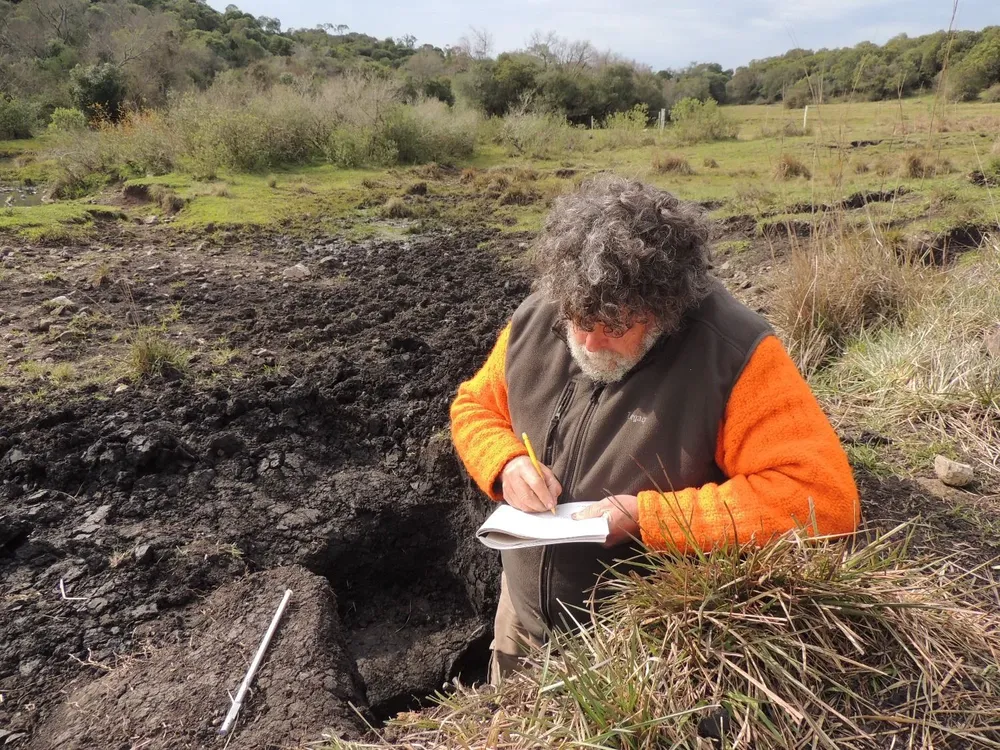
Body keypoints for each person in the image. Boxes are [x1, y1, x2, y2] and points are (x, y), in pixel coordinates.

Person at [450, 175, 860, 684]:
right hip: (521, 622)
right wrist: (506, 461)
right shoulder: (540, 317)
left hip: (640, 651)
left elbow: (821, 498)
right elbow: (474, 406)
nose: (590, 343)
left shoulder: (733, 356)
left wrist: (650, 519)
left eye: (616, 327)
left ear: (665, 309)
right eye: (578, 321)